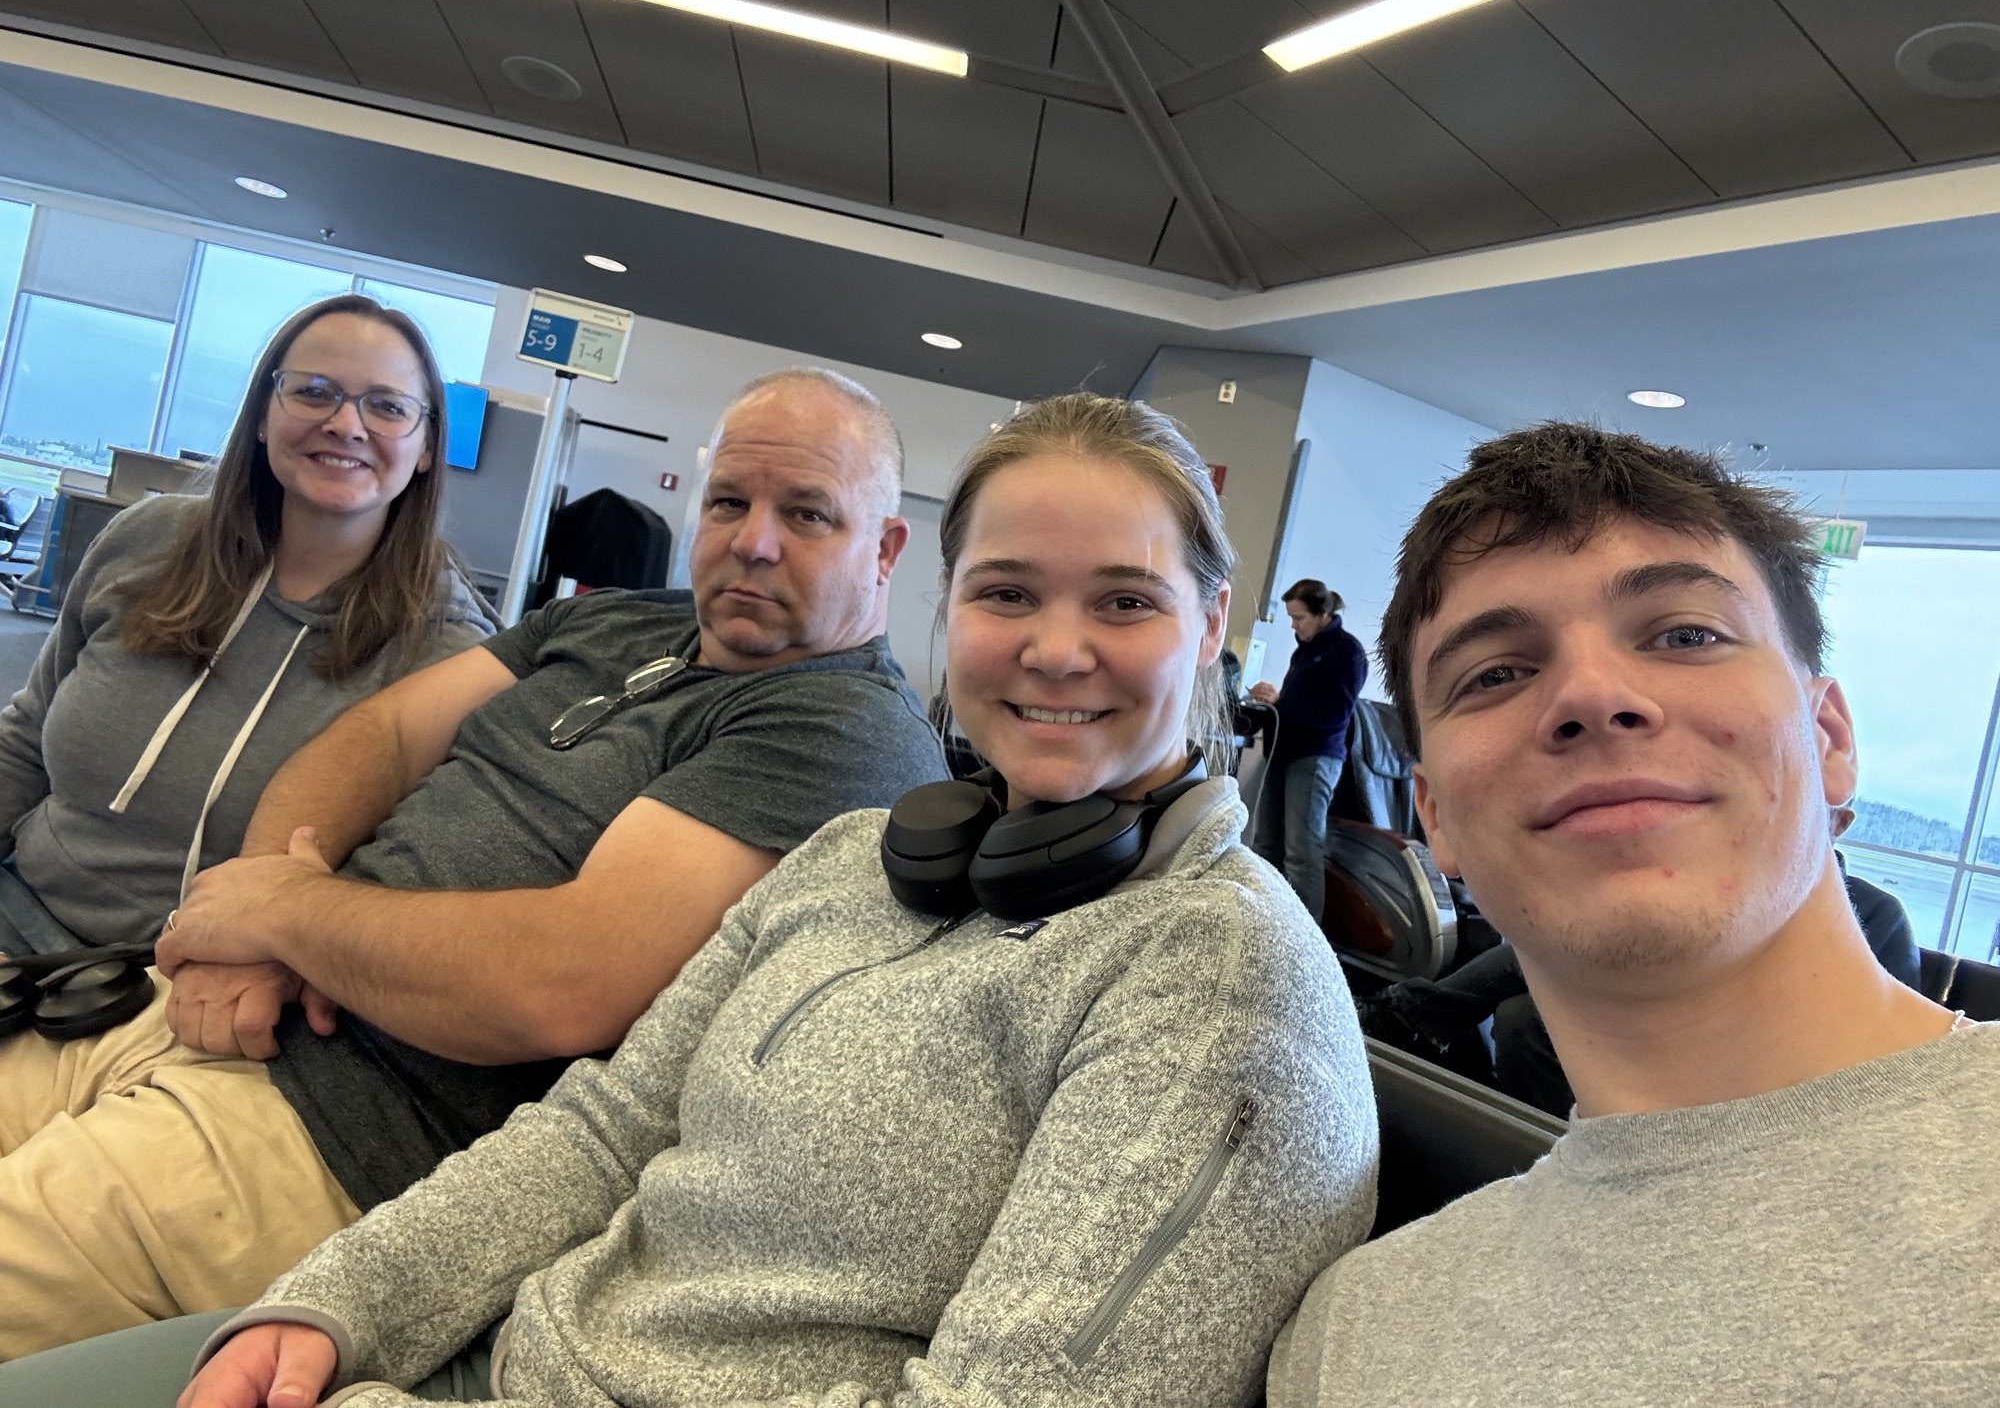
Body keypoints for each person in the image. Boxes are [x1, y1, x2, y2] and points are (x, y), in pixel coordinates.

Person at [4, 393, 1379, 1407]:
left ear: (1212, 626)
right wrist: (343, 1306)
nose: (1056, 648)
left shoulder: (1216, 975)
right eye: (1009, 591)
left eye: (1125, 602)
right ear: (949, 608)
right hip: (475, 1358)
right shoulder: (858, 865)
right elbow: (597, 1137)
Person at [0, 368, 947, 1357]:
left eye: (806, 515)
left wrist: (286, 920)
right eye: (728, 503)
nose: (754, 541)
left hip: (335, 1140)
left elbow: (559, 982)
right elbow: (379, 737)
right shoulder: (613, 620)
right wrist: (258, 934)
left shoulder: (843, 728)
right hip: (203, 1016)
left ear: (884, 548)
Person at [1268, 423, 1997, 1407]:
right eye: (1494, 673)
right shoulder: (1352, 1340)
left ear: (1827, 738)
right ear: (1432, 813)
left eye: (1683, 634)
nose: (1590, 695)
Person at [0, 293, 492, 959]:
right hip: (17, 916)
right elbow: (26, 738)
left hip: (195, 991)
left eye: (386, 406)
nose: (347, 425)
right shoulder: (148, 541)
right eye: (314, 392)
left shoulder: (448, 658)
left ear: (427, 445)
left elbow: (399, 892)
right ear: (264, 414)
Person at [1359, 810, 1927, 1116]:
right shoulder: (1738, 893)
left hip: (1757, 1059)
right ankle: (1533, 1145)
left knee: (1539, 979)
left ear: (1837, 824)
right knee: (1524, 1013)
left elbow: (1885, 1040)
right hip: (1668, 1017)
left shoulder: (1877, 914)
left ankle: (1407, 1017)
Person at [1248, 578, 1367, 919]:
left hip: (1315, 758)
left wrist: (1281, 703)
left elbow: (1333, 714)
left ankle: (1305, 936)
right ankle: (1261, 920)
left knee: (1301, 851)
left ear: (1323, 613)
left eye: (1299, 618)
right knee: (1265, 843)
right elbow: (1297, 703)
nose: (1294, 625)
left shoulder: (1347, 652)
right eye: (1291, 618)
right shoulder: (1305, 649)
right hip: (1282, 753)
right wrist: (1275, 704)